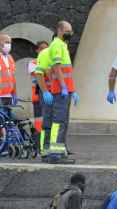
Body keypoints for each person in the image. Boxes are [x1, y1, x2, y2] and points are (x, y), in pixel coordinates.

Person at [34, 22, 79, 164]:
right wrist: (46, 91)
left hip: (59, 91)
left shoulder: (61, 47)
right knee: (54, 123)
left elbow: (65, 73)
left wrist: (72, 90)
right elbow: (40, 73)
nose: (70, 34)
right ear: (59, 31)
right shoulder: (53, 49)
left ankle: (51, 152)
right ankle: (51, 153)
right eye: (68, 31)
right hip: (53, 92)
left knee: (56, 122)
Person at [29, 40, 49, 149]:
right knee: (39, 121)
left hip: (49, 96)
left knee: (48, 120)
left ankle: (45, 143)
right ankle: (38, 143)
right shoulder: (33, 63)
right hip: (37, 97)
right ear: (37, 50)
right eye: (41, 48)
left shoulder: (49, 62)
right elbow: (39, 73)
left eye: (46, 48)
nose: (44, 51)